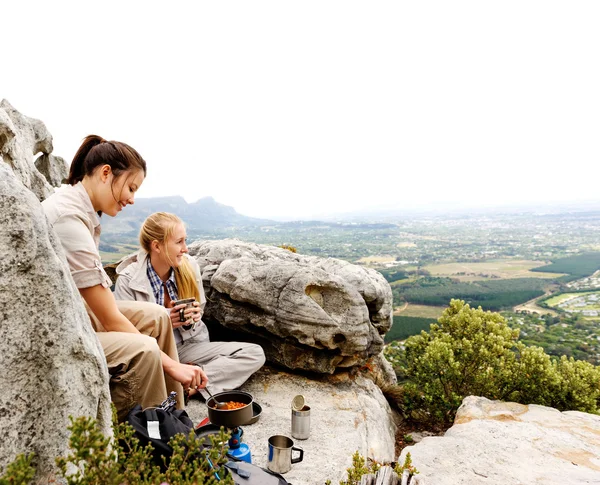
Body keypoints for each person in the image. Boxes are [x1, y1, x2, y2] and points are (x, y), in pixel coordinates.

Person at [42, 135, 207, 420]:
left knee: (157, 316)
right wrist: (172, 365)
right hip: (60, 330)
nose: (132, 199)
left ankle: (176, 421)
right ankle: (147, 436)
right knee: (144, 349)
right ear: (106, 173)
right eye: (131, 187)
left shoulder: (80, 210)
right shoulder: (68, 216)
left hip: (76, 314)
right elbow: (108, 317)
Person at [113, 212, 265, 399]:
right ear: (157, 246)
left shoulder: (189, 266)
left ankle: (191, 384)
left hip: (190, 347)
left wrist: (192, 317)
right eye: (179, 242)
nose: (185, 249)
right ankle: (187, 376)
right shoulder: (128, 281)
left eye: (185, 241)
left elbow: (199, 309)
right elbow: (127, 336)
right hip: (157, 353)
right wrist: (164, 320)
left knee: (254, 353)